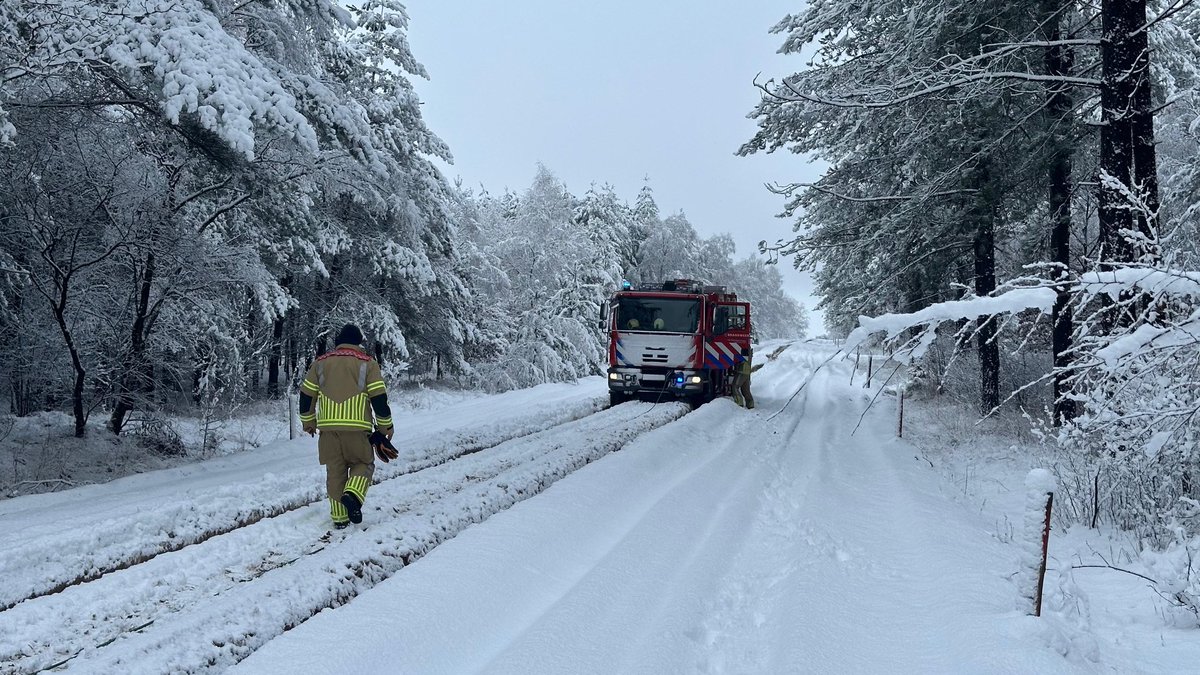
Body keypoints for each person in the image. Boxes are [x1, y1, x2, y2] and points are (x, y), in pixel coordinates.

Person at [298, 324, 394, 528]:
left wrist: (308, 421)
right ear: (359, 342)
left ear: (338, 341)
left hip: (328, 431)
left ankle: (340, 519)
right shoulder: (368, 364)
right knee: (363, 464)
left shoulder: (319, 363)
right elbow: (379, 398)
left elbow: (306, 395)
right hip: (358, 429)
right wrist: (385, 427)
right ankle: (353, 495)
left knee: (335, 472)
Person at [733, 344, 755, 409]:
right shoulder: (748, 349)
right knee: (745, 390)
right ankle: (750, 404)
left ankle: (739, 403)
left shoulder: (744, 349)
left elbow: (741, 359)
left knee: (735, 387)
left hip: (742, 371)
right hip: (747, 372)